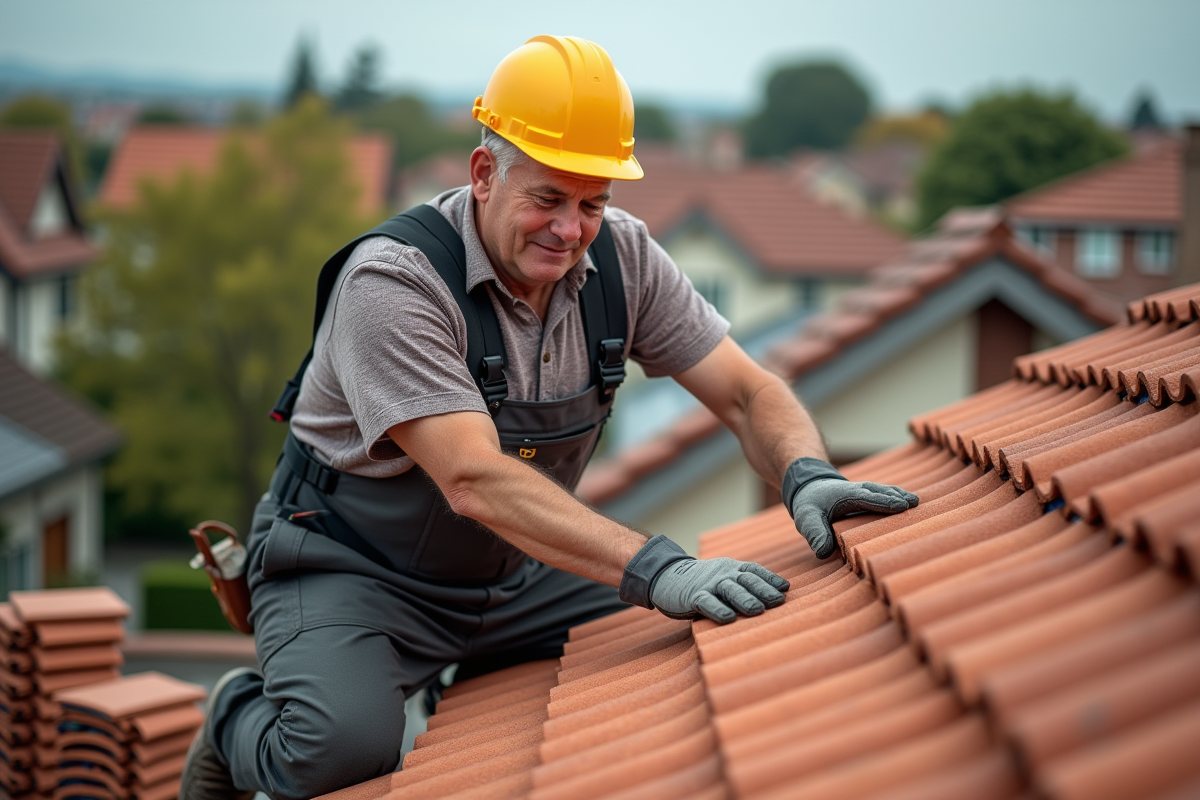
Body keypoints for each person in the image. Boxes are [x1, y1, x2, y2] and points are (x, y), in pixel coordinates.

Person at [181, 34, 917, 800]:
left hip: (513, 572)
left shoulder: (624, 260)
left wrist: (805, 470)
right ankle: (233, 715)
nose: (570, 230)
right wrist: (660, 569)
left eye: (592, 203)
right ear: (483, 174)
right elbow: (472, 478)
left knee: (682, 650)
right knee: (339, 750)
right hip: (348, 569)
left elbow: (748, 393)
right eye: (547, 199)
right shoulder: (394, 283)